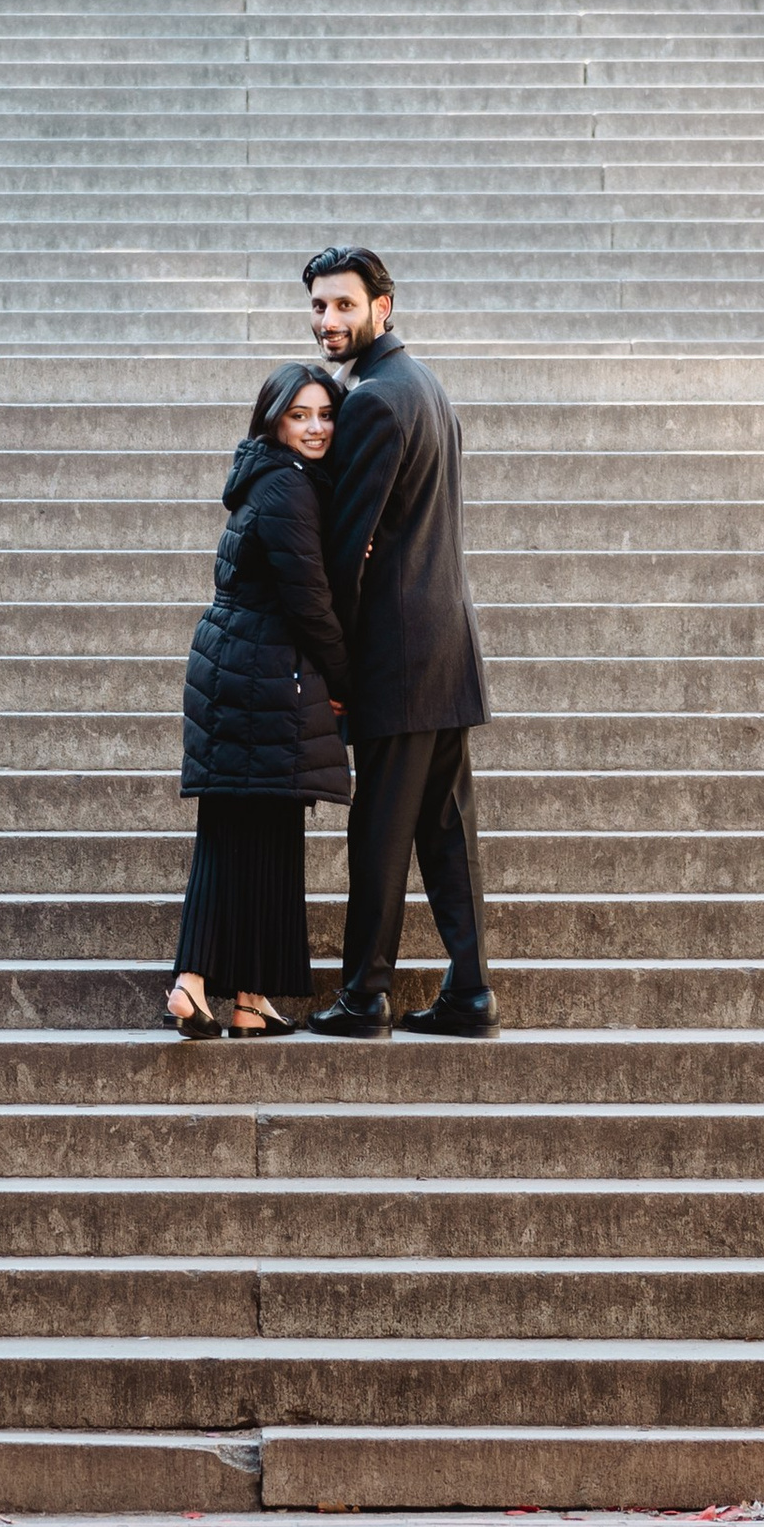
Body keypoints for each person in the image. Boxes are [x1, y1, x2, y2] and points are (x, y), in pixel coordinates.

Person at [298, 244, 497, 1041]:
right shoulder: (427, 385)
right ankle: (470, 990)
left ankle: (364, 994)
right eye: (318, 306)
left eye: (343, 306)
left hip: (400, 655)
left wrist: (334, 664)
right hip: (446, 647)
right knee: (447, 828)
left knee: (380, 828)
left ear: (383, 307)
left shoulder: (377, 399)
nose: (328, 321)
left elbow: (350, 549)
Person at [165, 363, 352, 1040]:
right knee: (239, 832)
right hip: (259, 673)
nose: (316, 427)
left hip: (241, 668)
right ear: (274, 420)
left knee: (258, 832)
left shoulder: (272, 480)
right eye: (300, 415)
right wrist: (346, 683)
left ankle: (248, 998)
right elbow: (310, 602)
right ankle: (191, 982)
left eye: (325, 413)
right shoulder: (287, 489)